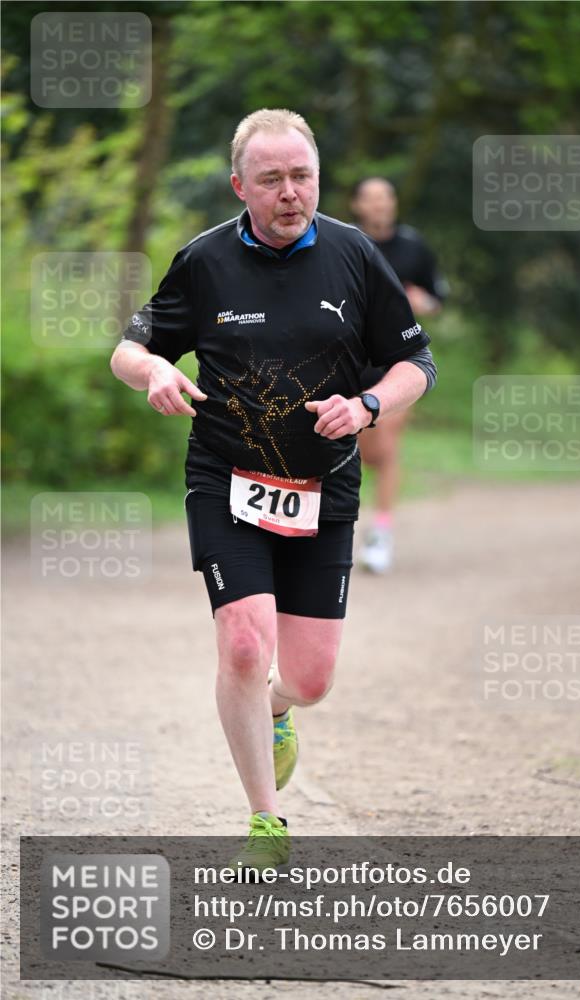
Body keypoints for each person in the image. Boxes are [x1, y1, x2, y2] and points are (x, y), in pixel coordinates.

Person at [110, 110, 437, 871]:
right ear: (239, 186)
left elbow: (415, 365)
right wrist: (157, 369)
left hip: (324, 486)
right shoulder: (204, 262)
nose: (290, 194)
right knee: (245, 641)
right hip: (225, 478)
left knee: (312, 678)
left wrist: (365, 406)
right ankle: (266, 822)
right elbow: (129, 348)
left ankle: (281, 709)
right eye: (272, 180)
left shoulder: (356, 258)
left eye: (302, 177)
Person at [350, 177, 448, 574]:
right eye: (371, 199)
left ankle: (381, 533)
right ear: (358, 205)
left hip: (397, 363)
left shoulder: (413, 247)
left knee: (385, 446)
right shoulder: (344, 243)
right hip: (350, 361)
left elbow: (437, 297)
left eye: (386, 198)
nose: (380, 206)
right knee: (358, 449)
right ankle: (335, 528)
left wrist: (425, 302)